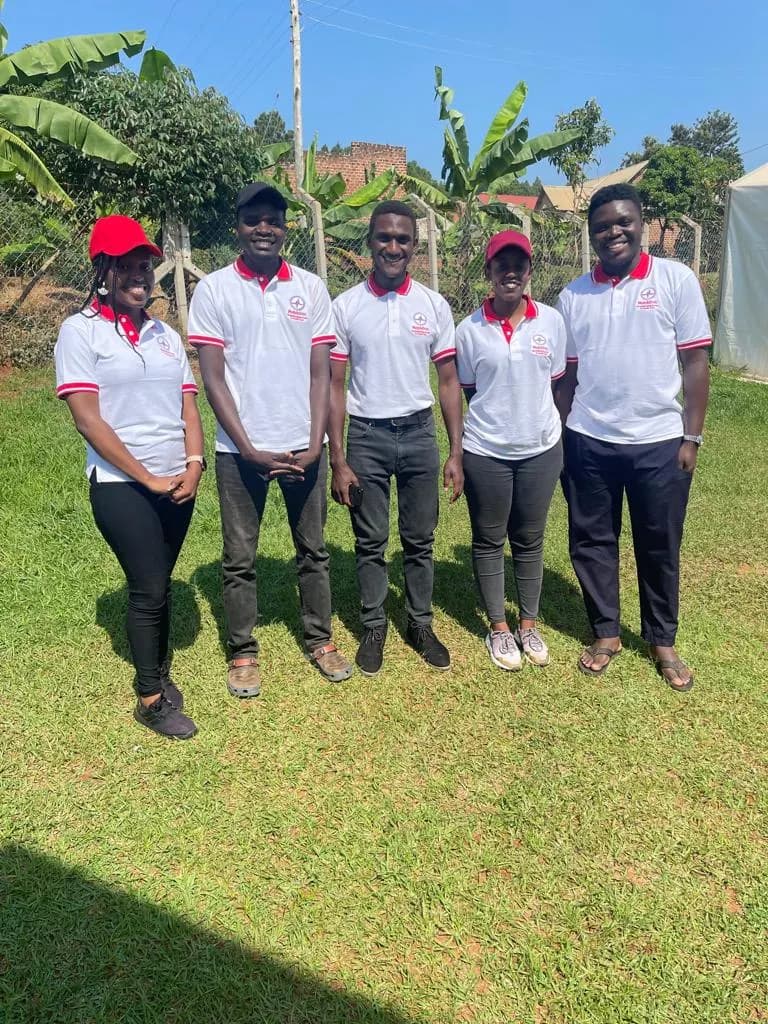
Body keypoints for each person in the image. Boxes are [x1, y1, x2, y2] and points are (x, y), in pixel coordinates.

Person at [188, 182, 352, 697]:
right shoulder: (214, 290)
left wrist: (313, 443)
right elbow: (213, 379)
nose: (265, 228)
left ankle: (320, 639)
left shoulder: (310, 288)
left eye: (274, 220)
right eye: (254, 219)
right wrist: (249, 448)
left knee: (314, 550)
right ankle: (242, 650)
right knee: (240, 556)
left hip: (303, 447)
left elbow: (320, 375)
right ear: (238, 226)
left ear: (286, 228)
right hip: (241, 454)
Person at [555, 184, 711, 691]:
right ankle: (605, 631)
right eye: (602, 226)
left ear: (641, 224)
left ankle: (662, 639)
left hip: (660, 440)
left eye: (623, 222)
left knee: (659, 541)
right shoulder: (573, 295)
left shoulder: (676, 280)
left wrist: (691, 437)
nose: (613, 232)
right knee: (591, 540)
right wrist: (562, 435)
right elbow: (568, 376)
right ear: (592, 234)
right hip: (589, 438)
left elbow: (695, 363)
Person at [54, 215, 204, 740]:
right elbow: (87, 417)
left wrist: (194, 464)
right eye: (128, 264)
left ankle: (160, 673)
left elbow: (188, 401)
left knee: (159, 582)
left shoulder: (164, 334)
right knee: (146, 587)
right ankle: (150, 698)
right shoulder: (80, 331)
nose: (141, 273)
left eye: (146, 263)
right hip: (121, 485)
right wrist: (147, 478)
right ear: (103, 268)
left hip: (175, 481)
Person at [329, 200, 464, 676]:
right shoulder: (346, 306)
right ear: (369, 242)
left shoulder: (432, 304)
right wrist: (338, 458)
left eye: (403, 239)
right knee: (370, 540)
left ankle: (420, 624)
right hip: (366, 435)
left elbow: (448, 382)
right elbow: (334, 385)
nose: (393, 246)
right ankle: (373, 625)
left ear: (414, 246)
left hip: (418, 432)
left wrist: (455, 451)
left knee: (419, 538)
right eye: (384, 237)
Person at [456, 230, 566, 671]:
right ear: (488, 271)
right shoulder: (468, 329)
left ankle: (528, 623)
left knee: (530, 538)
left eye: (519, 264)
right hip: (486, 450)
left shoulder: (552, 322)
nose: (510, 272)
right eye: (501, 264)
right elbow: (469, 390)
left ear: (530, 272)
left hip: (541, 448)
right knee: (488, 538)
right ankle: (499, 628)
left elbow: (556, 383)